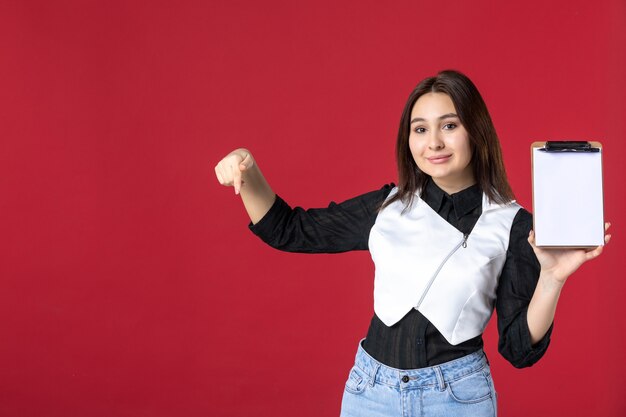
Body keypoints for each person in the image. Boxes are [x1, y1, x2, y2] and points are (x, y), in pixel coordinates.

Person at [214, 70, 611, 417]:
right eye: (420, 129)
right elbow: (290, 230)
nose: (433, 142)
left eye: (450, 125)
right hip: (370, 392)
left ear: (477, 130)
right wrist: (246, 169)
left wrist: (553, 278)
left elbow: (519, 349)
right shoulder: (387, 206)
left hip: (457, 397)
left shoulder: (513, 225)